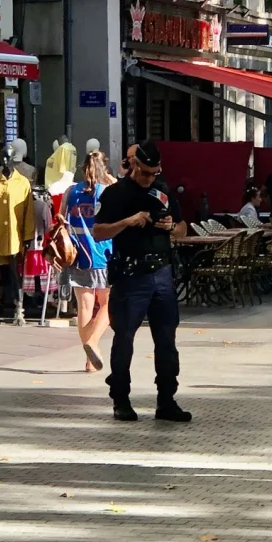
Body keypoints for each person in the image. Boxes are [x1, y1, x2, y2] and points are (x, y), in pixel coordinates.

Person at [91, 141, 191, 423]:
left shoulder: (164, 190)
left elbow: (183, 230)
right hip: (131, 275)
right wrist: (128, 221)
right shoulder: (116, 193)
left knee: (167, 341)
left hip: (161, 273)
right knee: (124, 339)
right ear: (134, 165)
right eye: (146, 172)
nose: (150, 178)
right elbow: (98, 232)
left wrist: (170, 226)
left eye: (155, 172)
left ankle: (166, 400)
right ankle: (121, 399)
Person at [65, 151, 114, 373]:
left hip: (77, 254)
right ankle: (92, 342)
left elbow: (60, 219)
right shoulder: (108, 192)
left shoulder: (71, 191)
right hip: (103, 254)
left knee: (84, 306)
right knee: (108, 303)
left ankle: (88, 360)